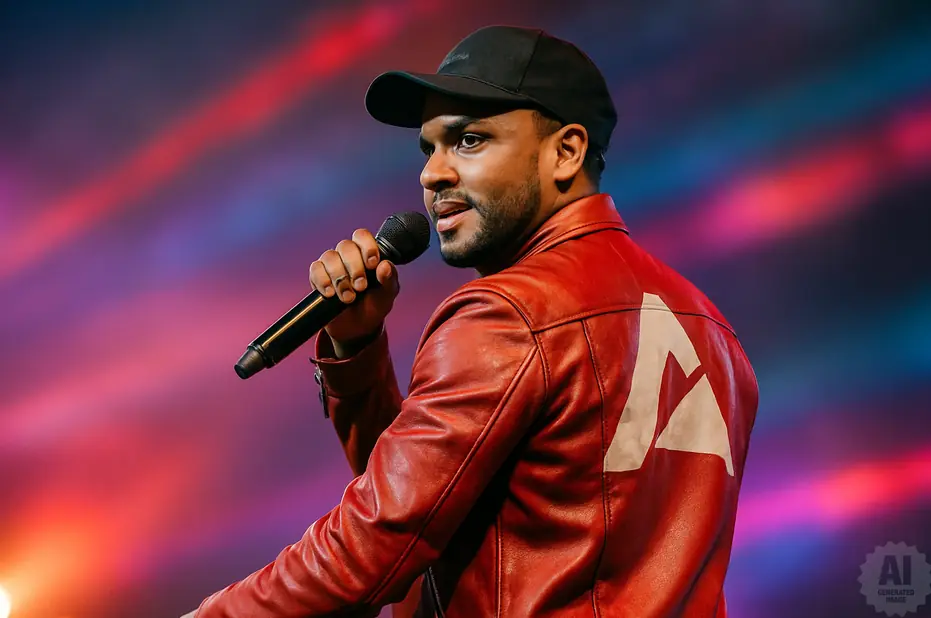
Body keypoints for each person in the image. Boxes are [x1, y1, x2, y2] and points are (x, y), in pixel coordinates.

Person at [187, 25, 758, 618]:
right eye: (427, 148)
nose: (432, 174)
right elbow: (440, 505)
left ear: (565, 152)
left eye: (468, 141)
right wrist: (357, 349)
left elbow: (377, 544)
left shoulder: (508, 313)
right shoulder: (714, 331)